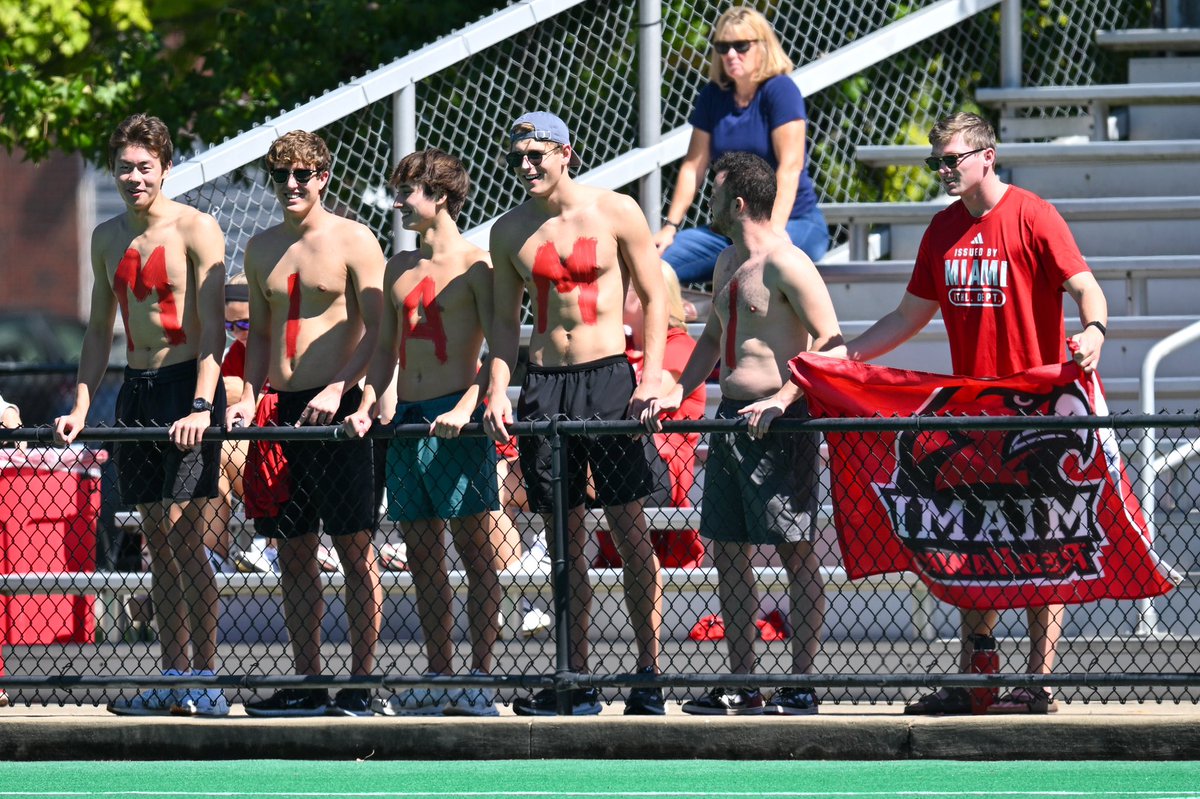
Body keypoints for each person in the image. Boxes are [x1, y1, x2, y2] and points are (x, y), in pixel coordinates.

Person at [843, 112, 1108, 715]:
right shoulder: (940, 230)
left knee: (1045, 540)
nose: (942, 170)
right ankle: (978, 678)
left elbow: (1086, 286)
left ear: (987, 156)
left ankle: (1037, 684)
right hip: (971, 412)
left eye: (951, 159)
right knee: (971, 542)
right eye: (935, 161)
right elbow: (907, 318)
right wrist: (841, 358)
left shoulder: (1034, 214)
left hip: (1037, 411)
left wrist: (1093, 330)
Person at [483, 111, 669, 716]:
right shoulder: (509, 231)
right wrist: (495, 390)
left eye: (538, 154)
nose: (528, 165)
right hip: (545, 386)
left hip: (610, 378)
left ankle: (649, 671)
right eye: (519, 156)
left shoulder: (615, 210)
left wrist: (654, 376)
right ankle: (574, 674)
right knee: (563, 537)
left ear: (567, 153)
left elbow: (655, 294)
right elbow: (506, 325)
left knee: (628, 526)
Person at [647, 151, 844, 715]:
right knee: (729, 552)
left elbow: (832, 343)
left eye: (714, 190)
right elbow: (712, 337)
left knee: (796, 552)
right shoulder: (727, 259)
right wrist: (675, 390)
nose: (705, 199)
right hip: (731, 417)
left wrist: (784, 399)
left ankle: (803, 681)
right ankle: (743, 679)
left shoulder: (787, 262)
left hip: (780, 423)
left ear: (736, 202)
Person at [54, 113, 230, 717]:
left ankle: (205, 678)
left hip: (188, 390)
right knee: (157, 540)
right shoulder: (107, 238)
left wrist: (204, 405)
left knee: (186, 537)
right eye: (124, 168)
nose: (134, 177)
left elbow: (214, 332)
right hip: (138, 391)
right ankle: (174, 673)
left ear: (166, 167)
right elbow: (100, 331)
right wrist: (81, 403)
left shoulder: (197, 229)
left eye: (144, 167)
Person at [226, 130, 386, 717]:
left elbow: (379, 328)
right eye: (280, 175)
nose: (290, 185)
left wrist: (341, 388)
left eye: (302, 174)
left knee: (354, 549)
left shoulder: (354, 239)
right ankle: (308, 680)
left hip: (338, 412)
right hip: (284, 410)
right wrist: (249, 395)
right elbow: (262, 333)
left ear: (322, 177)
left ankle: (362, 683)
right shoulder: (262, 246)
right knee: (293, 552)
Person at [344, 147, 505, 717]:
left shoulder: (477, 265)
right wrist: (367, 402)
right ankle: (440, 673)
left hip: (454, 421)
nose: (398, 202)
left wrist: (469, 405)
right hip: (406, 419)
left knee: (476, 552)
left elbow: (501, 351)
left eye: (407, 191)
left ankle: (481, 680)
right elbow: (385, 348)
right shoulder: (397, 265)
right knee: (421, 554)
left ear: (439, 196)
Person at [653, 6, 827, 284]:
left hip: (795, 222)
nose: (731, 54)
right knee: (653, 264)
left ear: (763, 46)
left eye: (741, 45)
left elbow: (790, 166)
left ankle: (715, 313)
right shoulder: (713, 96)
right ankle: (682, 316)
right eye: (723, 47)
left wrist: (774, 230)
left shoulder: (780, 90)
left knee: (761, 264)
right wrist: (670, 228)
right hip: (730, 230)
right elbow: (693, 166)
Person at [594, 263, 707, 570]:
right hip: (621, 462)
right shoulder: (623, 347)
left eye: (626, 284)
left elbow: (648, 404)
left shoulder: (680, 345)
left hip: (660, 473)